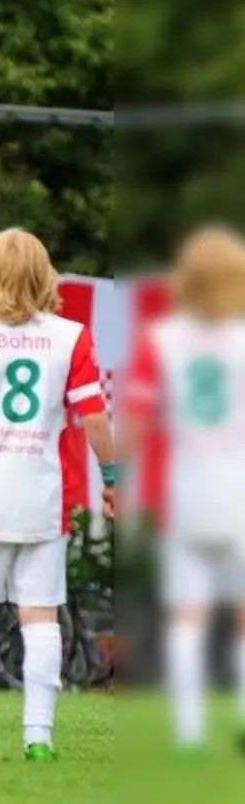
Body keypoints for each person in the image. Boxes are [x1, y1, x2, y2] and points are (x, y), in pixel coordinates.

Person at [0, 228, 115, 762]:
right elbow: (95, 417)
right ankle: (39, 736)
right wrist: (113, 478)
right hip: (44, 499)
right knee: (40, 616)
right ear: (45, 275)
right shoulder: (71, 337)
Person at [121, 225, 245, 754]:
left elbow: (133, 424)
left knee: (186, 616)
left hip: (185, 495)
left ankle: (190, 733)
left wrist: (119, 484)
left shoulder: (162, 340)